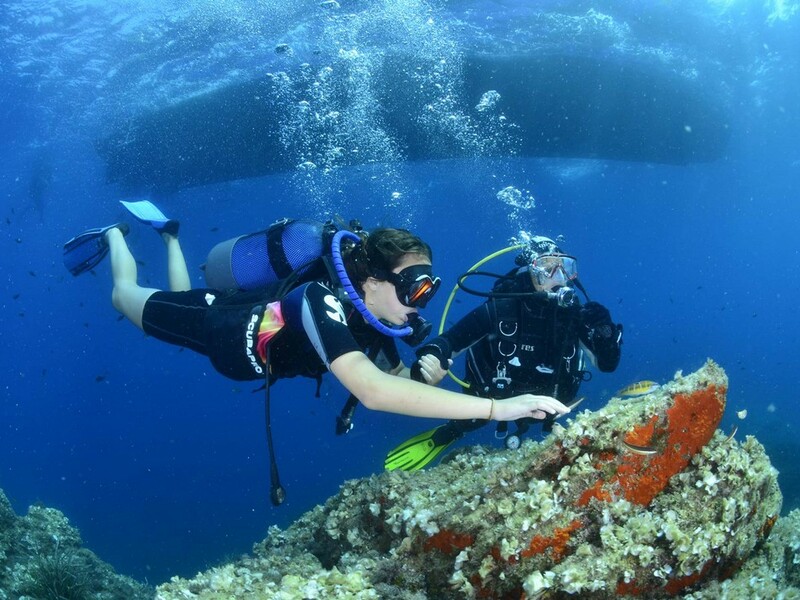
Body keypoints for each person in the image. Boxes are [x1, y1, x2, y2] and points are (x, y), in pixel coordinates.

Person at [63, 203, 571, 501]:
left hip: (232, 337)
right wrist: (495, 408)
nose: (422, 304)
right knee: (125, 298)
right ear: (371, 281)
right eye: (415, 289)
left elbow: (399, 388)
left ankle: (169, 236)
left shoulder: (372, 321)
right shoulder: (318, 298)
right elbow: (372, 391)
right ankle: (113, 234)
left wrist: (427, 372)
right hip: (218, 325)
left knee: (172, 305)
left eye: (429, 290)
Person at [385, 235, 622, 471]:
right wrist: (432, 359)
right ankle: (449, 432)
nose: (558, 277)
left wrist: (606, 333)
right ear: (531, 272)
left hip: (554, 407)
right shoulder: (501, 309)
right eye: (547, 269)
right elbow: (450, 341)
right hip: (495, 400)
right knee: (470, 419)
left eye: (565, 268)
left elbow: (606, 364)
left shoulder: (575, 316)